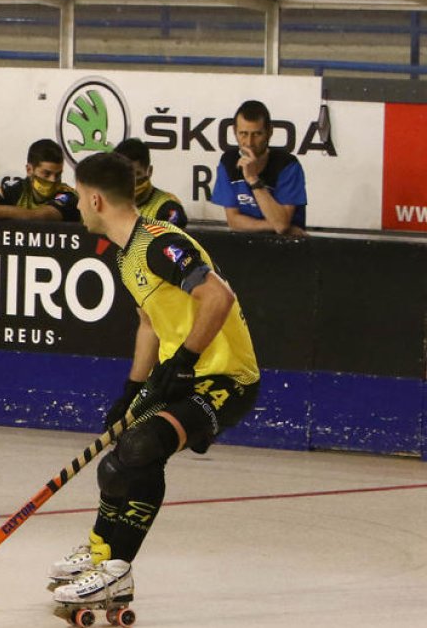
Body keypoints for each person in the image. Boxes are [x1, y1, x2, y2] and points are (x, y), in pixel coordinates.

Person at [48, 152, 259, 609]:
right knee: (116, 455)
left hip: (225, 377)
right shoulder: (127, 256)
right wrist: (131, 390)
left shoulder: (160, 243)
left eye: (80, 199)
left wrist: (185, 359)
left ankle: (117, 573)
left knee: (143, 447)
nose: (77, 207)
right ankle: (100, 552)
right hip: (179, 374)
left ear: (97, 200)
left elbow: (218, 297)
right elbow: (148, 323)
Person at [211, 100, 307, 236]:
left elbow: (281, 224)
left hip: (285, 249)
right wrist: (275, 226)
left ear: (269, 132)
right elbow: (234, 222)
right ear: (234, 131)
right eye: (243, 134)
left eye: (257, 134)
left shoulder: (287, 165)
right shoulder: (228, 161)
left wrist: (253, 179)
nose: (249, 142)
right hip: (245, 245)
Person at [113, 137, 187, 229]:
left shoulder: (167, 206)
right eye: (123, 174)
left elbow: (171, 241)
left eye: (137, 174)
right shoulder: (105, 203)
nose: (130, 181)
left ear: (149, 171)